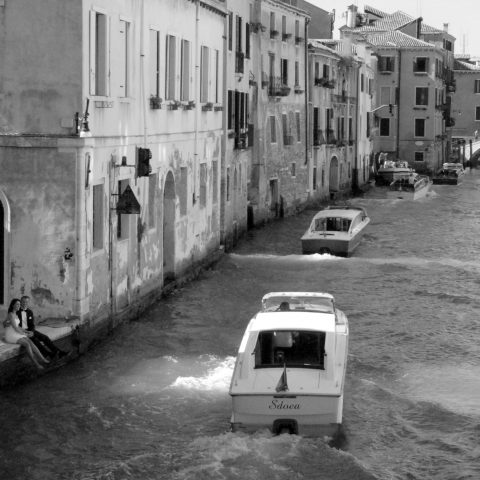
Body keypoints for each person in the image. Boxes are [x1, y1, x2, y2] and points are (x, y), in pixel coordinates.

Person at [3, 298, 50, 370]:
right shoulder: (11, 314)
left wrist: (27, 332)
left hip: (16, 332)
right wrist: (24, 334)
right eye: (17, 304)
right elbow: (15, 328)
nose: (19, 306)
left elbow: (18, 326)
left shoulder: (15, 313)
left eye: (19, 304)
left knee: (31, 342)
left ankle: (43, 359)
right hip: (11, 335)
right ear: (13, 305)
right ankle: (36, 364)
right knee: (27, 344)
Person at [17, 295, 69, 360]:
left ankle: (58, 352)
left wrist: (32, 331)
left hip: (30, 330)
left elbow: (32, 324)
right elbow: (16, 325)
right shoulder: (16, 312)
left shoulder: (29, 312)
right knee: (35, 340)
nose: (25, 304)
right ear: (20, 302)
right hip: (21, 332)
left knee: (45, 337)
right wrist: (26, 333)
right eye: (23, 302)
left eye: (26, 302)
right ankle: (48, 354)